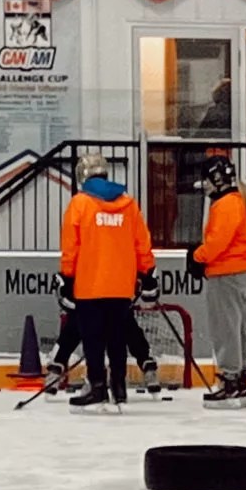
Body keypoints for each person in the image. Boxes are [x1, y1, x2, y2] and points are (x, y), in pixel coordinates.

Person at [58, 149, 157, 413]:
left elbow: (71, 247)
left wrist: (67, 278)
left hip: (90, 285)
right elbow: (142, 244)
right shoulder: (129, 204)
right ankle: (120, 388)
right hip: (121, 286)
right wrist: (146, 274)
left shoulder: (80, 204)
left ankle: (98, 387)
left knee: (93, 339)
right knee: (117, 336)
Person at [188, 158, 246, 408]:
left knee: (225, 329)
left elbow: (218, 242)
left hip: (226, 275)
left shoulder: (227, 204)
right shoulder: (243, 199)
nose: (205, 186)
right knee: (237, 328)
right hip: (242, 273)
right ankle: (239, 379)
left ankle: (230, 380)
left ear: (216, 180)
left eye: (207, 181)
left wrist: (197, 256)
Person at [47, 296, 159, 398]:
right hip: (111, 297)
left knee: (78, 325)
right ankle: (137, 371)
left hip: (95, 296)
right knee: (126, 327)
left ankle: (60, 370)